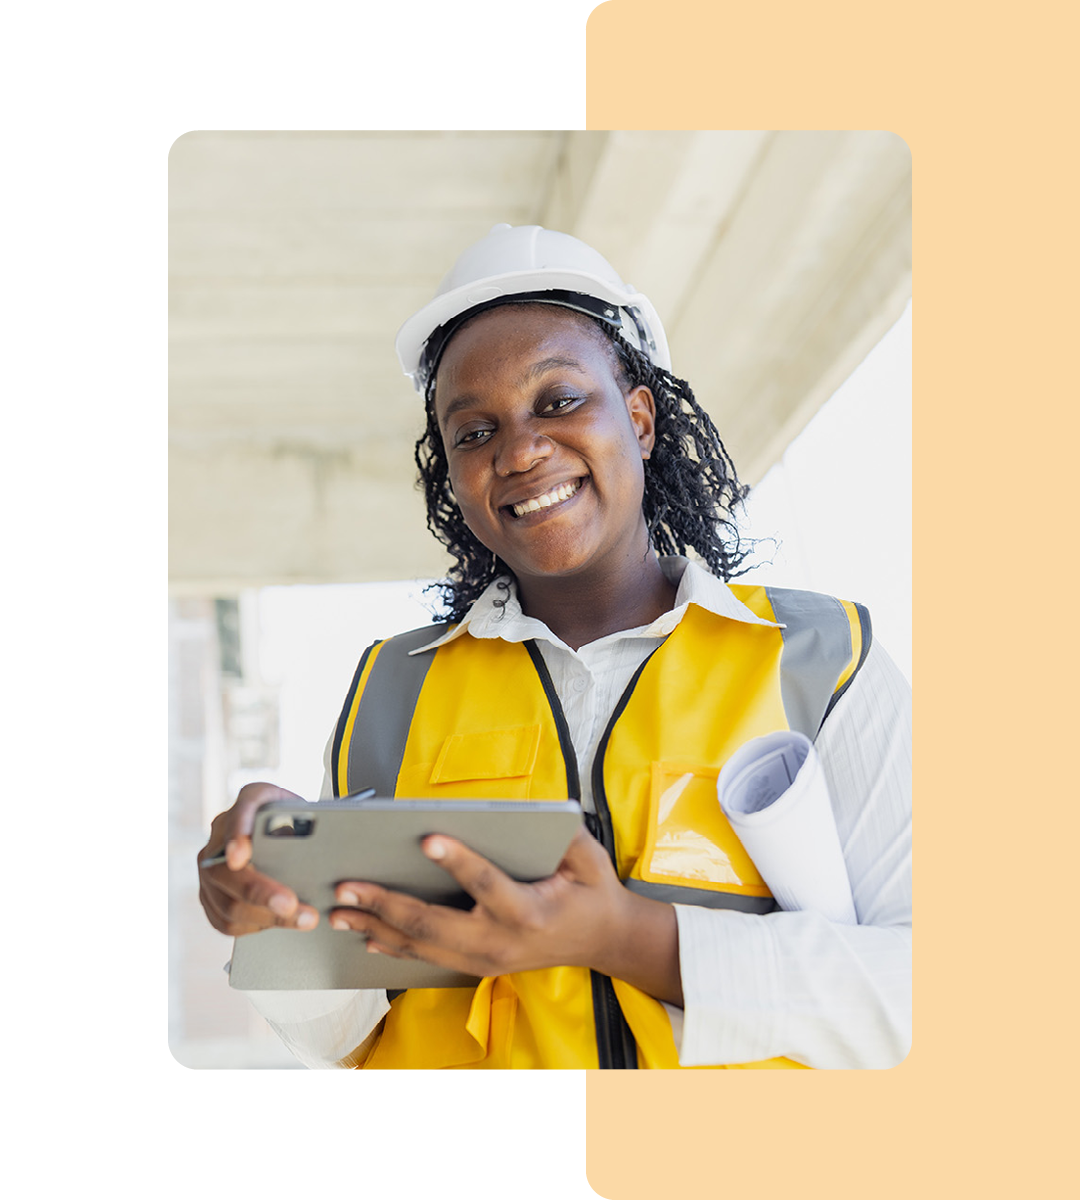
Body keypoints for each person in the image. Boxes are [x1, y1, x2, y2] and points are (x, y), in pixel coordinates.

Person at [197, 224, 911, 1070]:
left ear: (639, 419)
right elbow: (339, 1034)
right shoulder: (392, 691)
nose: (522, 450)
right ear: (451, 479)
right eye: (474, 432)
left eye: (559, 400)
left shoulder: (822, 660)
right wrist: (271, 916)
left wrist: (629, 938)